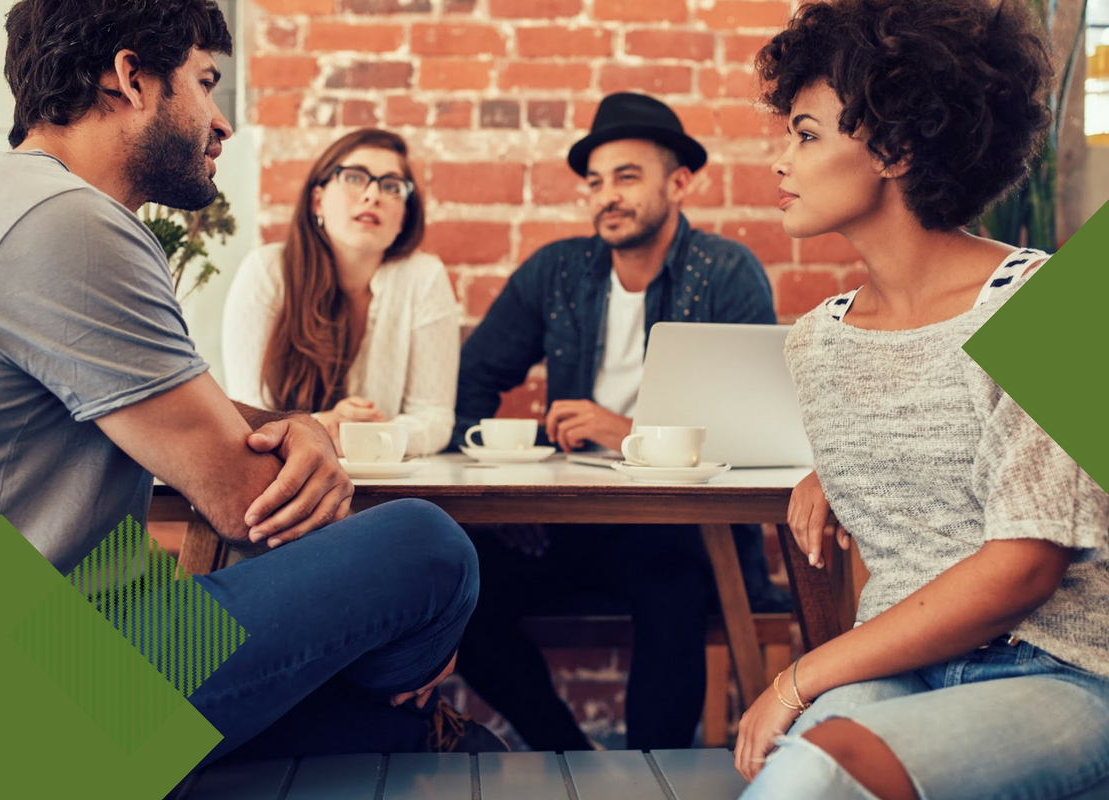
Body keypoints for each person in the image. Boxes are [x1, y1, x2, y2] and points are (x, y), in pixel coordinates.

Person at [0, 0, 496, 761]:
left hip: (17, 657)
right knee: (429, 553)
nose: (223, 123)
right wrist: (408, 621)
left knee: (433, 747)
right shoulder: (65, 225)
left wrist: (301, 422)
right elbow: (247, 503)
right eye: (205, 82)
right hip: (32, 680)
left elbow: (186, 415)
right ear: (131, 77)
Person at [733, 2, 1109, 798]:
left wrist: (796, 679)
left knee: (815, 773)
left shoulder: (1057, 307)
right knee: (791, 767)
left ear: (896, 149)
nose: (779, 161)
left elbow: (1021, 570)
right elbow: (911, 510)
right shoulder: (818, 341)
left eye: (805, 133)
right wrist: (839, 472)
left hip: (1065, 675)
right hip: (901, 664)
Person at [451, 92, 787, 751]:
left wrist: (624, 432)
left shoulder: (725, 272)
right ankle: (570, 760)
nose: (607, 196)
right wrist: (498, 496)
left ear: (679, 181)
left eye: (627, 178)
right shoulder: (557, 272)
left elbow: (755, 434)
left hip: (679, 527)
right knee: (459, 597)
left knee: (672, 590)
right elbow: (471, 381)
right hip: (568, 519)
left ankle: (652, 773)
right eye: (596, 183)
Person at [222, 128, 457, 457]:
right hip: (281, 477)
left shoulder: (424, 277)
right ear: (318, 200)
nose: (373, 195)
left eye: (391, 186)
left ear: (403, 217)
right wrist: (322, 427)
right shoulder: (267, 271)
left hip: (389, 480)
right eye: (354, 177)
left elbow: (434, 418)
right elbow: (245, 414)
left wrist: (370, 436)